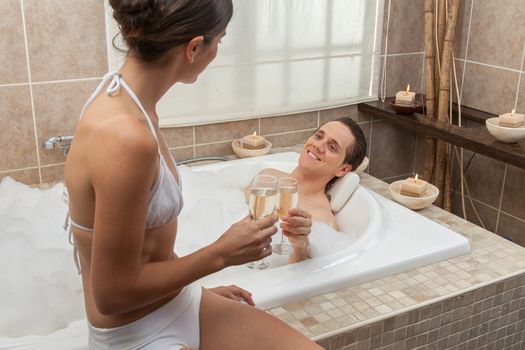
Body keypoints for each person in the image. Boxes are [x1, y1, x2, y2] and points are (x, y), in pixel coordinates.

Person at [64, 1, 320, 349]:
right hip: (133, 334)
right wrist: (221, 254)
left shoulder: (128, 98)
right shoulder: (125, 137)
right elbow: (111, 294)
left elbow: (144, 248)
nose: (217, 53)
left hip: (175, 303)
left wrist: (192, 290)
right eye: (220, 42)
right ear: (195, 48)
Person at [251, 117, 367, 263]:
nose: (318, 145)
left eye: (331, 147)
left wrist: (300, 246)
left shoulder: (324, 221)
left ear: (343, 169)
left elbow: (295, 275)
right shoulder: (267, 176)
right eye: (319, 136)